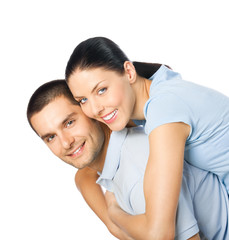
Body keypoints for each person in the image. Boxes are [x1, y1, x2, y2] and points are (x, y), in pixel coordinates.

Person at [65, 37, 229, 239]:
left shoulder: (164, 111)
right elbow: (85, 173)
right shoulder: (157, 85)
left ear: (129, 72)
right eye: (83, 100)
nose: (95, 109)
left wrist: (114, 213)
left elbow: (160, 233)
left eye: (101, 90)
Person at [27, 80, 229, 240]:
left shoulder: (137, 170)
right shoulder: (112, 165)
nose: (65, 143)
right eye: (50, 137)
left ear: (92, 111)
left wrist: (114, 213)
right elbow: (84, 176)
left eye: (69, 122)